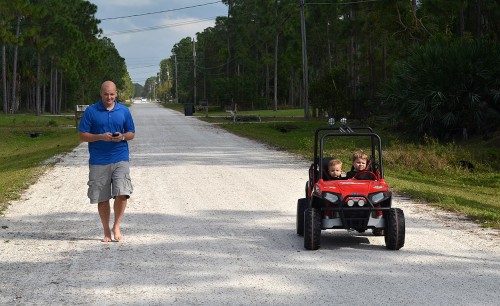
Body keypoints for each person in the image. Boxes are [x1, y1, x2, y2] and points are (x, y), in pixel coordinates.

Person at [78, 81, 135, 242]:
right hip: (98, 160)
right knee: (102, 198)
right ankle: (106, 231)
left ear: (116, 94)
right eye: (106, 94)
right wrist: (100, 137)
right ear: (101, 93)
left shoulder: (123, 111)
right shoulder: (91, 111)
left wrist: (122, 136)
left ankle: (116, 226)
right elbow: (82, 136)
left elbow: (131, 133)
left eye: (112, 94)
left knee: (122, 193)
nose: (109, 97)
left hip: (120, 157)